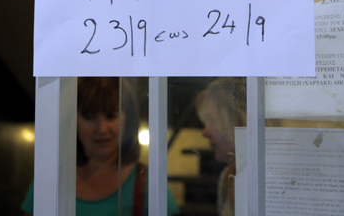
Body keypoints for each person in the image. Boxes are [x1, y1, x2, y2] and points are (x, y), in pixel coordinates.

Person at [22, 77, 179, 216]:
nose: (102, 129)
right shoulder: (50, 182)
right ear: (73, 122)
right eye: (89, 117)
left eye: (111, 116)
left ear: (128, 120)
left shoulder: (149, 184)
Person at [195, 77, 247, 216]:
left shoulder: (274, 179)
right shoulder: (227, 178)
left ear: (238, 122)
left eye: (212, 120)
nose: (205, 132)